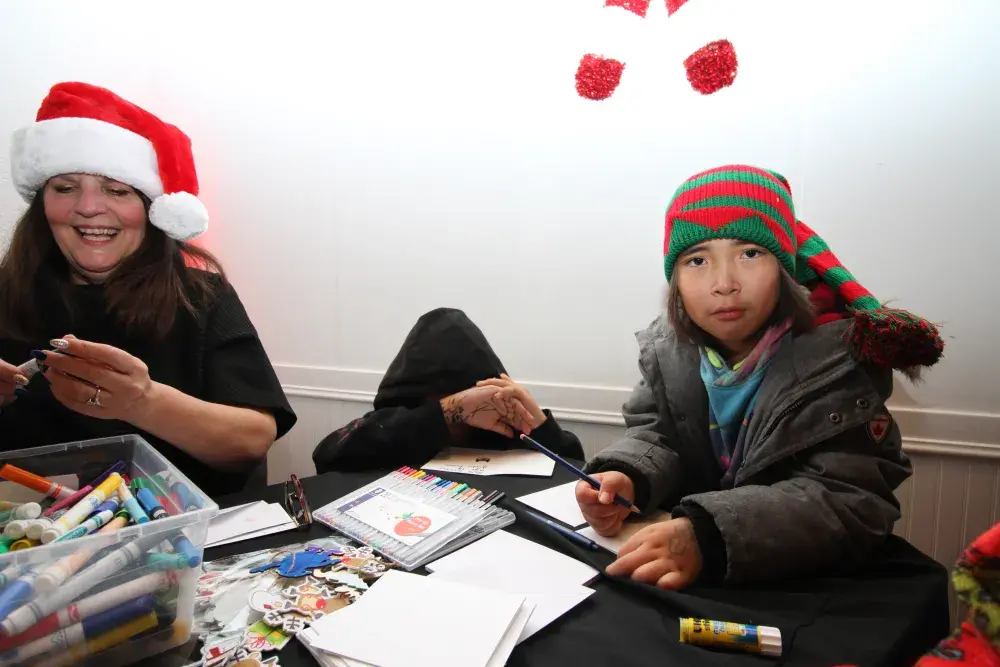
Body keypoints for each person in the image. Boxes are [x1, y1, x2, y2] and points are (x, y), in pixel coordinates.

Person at [576, 165, 944, 590]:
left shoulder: (838, 361)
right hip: (698, 583)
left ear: (785, 267)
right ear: (674, 280)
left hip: (803, 590)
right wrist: (629, 476)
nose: (724, 283)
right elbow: (656, 434)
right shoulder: (667, 352)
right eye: (697, 260)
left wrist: (709, 536)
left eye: (750, 253)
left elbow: (851, 501)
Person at [0, 82, 296, 497]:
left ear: (152, 210)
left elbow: (250, 442)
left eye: (117, 190)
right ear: (41, 206)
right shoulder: (6, 296)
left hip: (180, 537)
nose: (87, 207)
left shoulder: (201, 297)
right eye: (64, 188)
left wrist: (144, 401)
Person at [313, 307, 584, 473]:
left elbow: (577, 473)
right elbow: (328, 455)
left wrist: (540, 426)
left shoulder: (502, 421)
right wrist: (447, 412)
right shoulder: (397, 422)